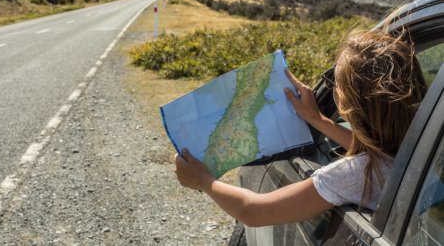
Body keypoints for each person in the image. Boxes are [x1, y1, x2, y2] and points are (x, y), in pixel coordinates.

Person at [174, 29, 426, 227]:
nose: (333, 90)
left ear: (347, 103)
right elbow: (379, 153)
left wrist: (205, 181)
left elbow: (252, 211)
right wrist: (317, 119)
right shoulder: (422, 146)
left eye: (335, 84)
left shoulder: (355, 174)